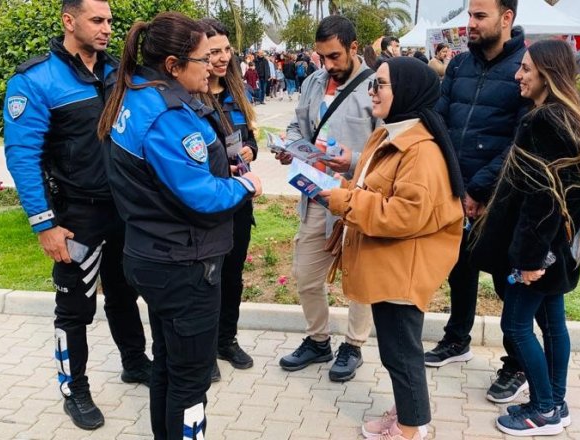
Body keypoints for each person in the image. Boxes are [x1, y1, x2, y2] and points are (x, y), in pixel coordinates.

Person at [97, 12, 262, 440]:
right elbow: (202, 195)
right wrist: (244, 185)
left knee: (168, 366)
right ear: (173, 65)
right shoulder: (167, 114)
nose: (213, 66)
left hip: (155, 254)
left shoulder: (137, 95)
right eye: (204, 59)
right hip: (183, 264)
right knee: (190, 383)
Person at [3, 0, 152, 431]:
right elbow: (22, 158)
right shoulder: (35, 80)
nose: (107, 28)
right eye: (97, 20)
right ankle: (75, 389)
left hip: (124, 211)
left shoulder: (118, 73)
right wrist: (44, 225)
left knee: (126, 293)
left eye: (109, 20)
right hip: (77, 217)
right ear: (70, 21)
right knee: (74, 309)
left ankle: (134, 363)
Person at [469, 39, 580, 436]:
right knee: (553, 325)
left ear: (547, 75)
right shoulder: (578, 115)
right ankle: (558, 401)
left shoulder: (544, 123)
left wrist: (530, 259)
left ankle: (543, 408)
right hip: (561, 246)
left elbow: (542, 200)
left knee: (516, 325)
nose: (518, 75)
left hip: (541, 249)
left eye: (527, 69)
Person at [320, 57, 465, 440]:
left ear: (406, 91)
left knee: (401, 353)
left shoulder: (421, 150)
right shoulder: (389, 134)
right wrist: (342, 187)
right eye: (373, 85)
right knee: (396, 350)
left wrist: (343, 202)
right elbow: (373, 188)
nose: (372, 91)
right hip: (390, 262)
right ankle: (408, 412)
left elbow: (405, 215)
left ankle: (411, 429)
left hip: (404, 267)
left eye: (380, 85)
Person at [425, 0, 532, 405]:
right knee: (460, 268)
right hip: (456, 190)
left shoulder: (526, 66)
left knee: (506, 284)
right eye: (469, 15)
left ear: (507, 18)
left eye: (479, 16)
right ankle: (457, 339)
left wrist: (481, 190)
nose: (469, 23)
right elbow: (439, 120)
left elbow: (521, 141)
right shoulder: (457, 66)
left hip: (501, 198)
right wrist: (452, 183)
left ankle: (517, 364)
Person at [274, 15, 378, 383]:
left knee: (359, 279)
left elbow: (388, 150)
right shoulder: (314, 81)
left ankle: (354, 345)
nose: (328, 65)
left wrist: (352, 160)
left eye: (334, 56)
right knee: (305, 274)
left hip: (358, 199)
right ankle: (319, 341)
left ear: (354, 47)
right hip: (316, 195)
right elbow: (295, 124)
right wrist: (290, 146)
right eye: (322, 57)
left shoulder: (376, 87)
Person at [197, 18, 261, 381]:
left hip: (239, 202)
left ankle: (227, 339)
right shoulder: (189, 96)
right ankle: (203, 351)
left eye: (225, 50)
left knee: (233, 275)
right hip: (206, 204)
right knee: (208, 278)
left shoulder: (237, 90)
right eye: (213, 52)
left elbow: (249, 139)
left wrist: (250, 151)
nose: (222, 58)